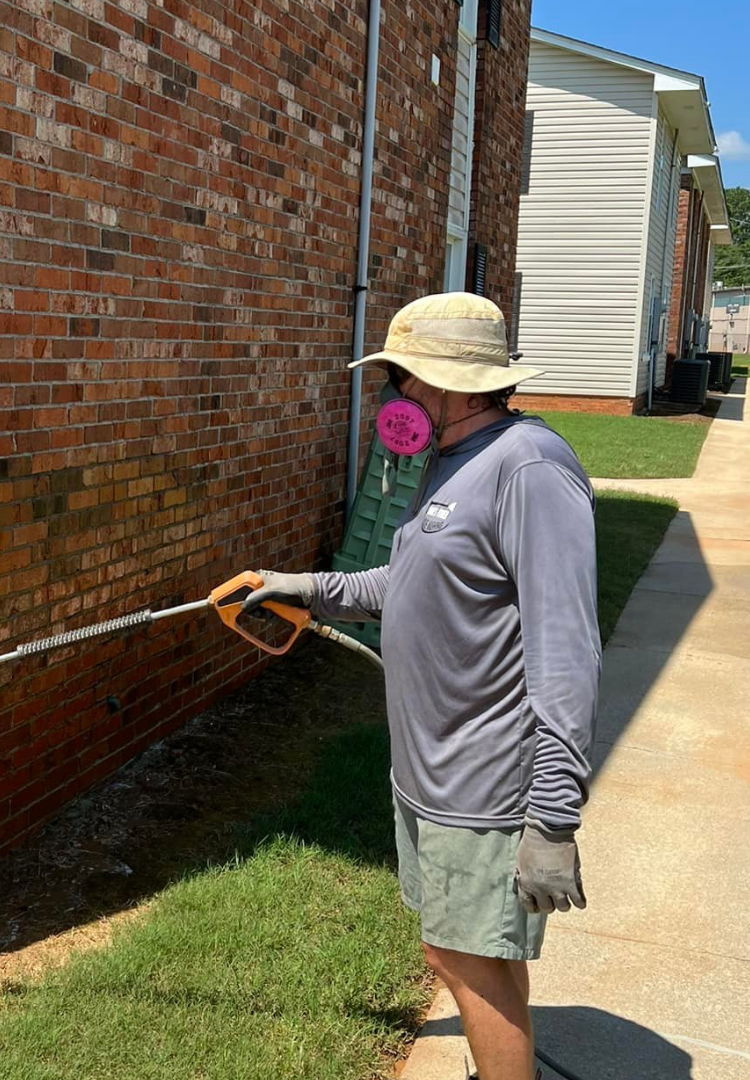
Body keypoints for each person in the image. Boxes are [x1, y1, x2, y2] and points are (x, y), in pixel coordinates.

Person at [244, 293, 601, 1080]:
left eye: (403, 377)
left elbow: (568, 650)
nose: (392, 395)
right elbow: (402, 580)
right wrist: (297, 585)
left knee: (457, 954)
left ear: (452, 384)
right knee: (479, 951)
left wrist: (552, 817)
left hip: (485, 776)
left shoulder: (529, 468)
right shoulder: (450, 461)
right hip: (430, 768)